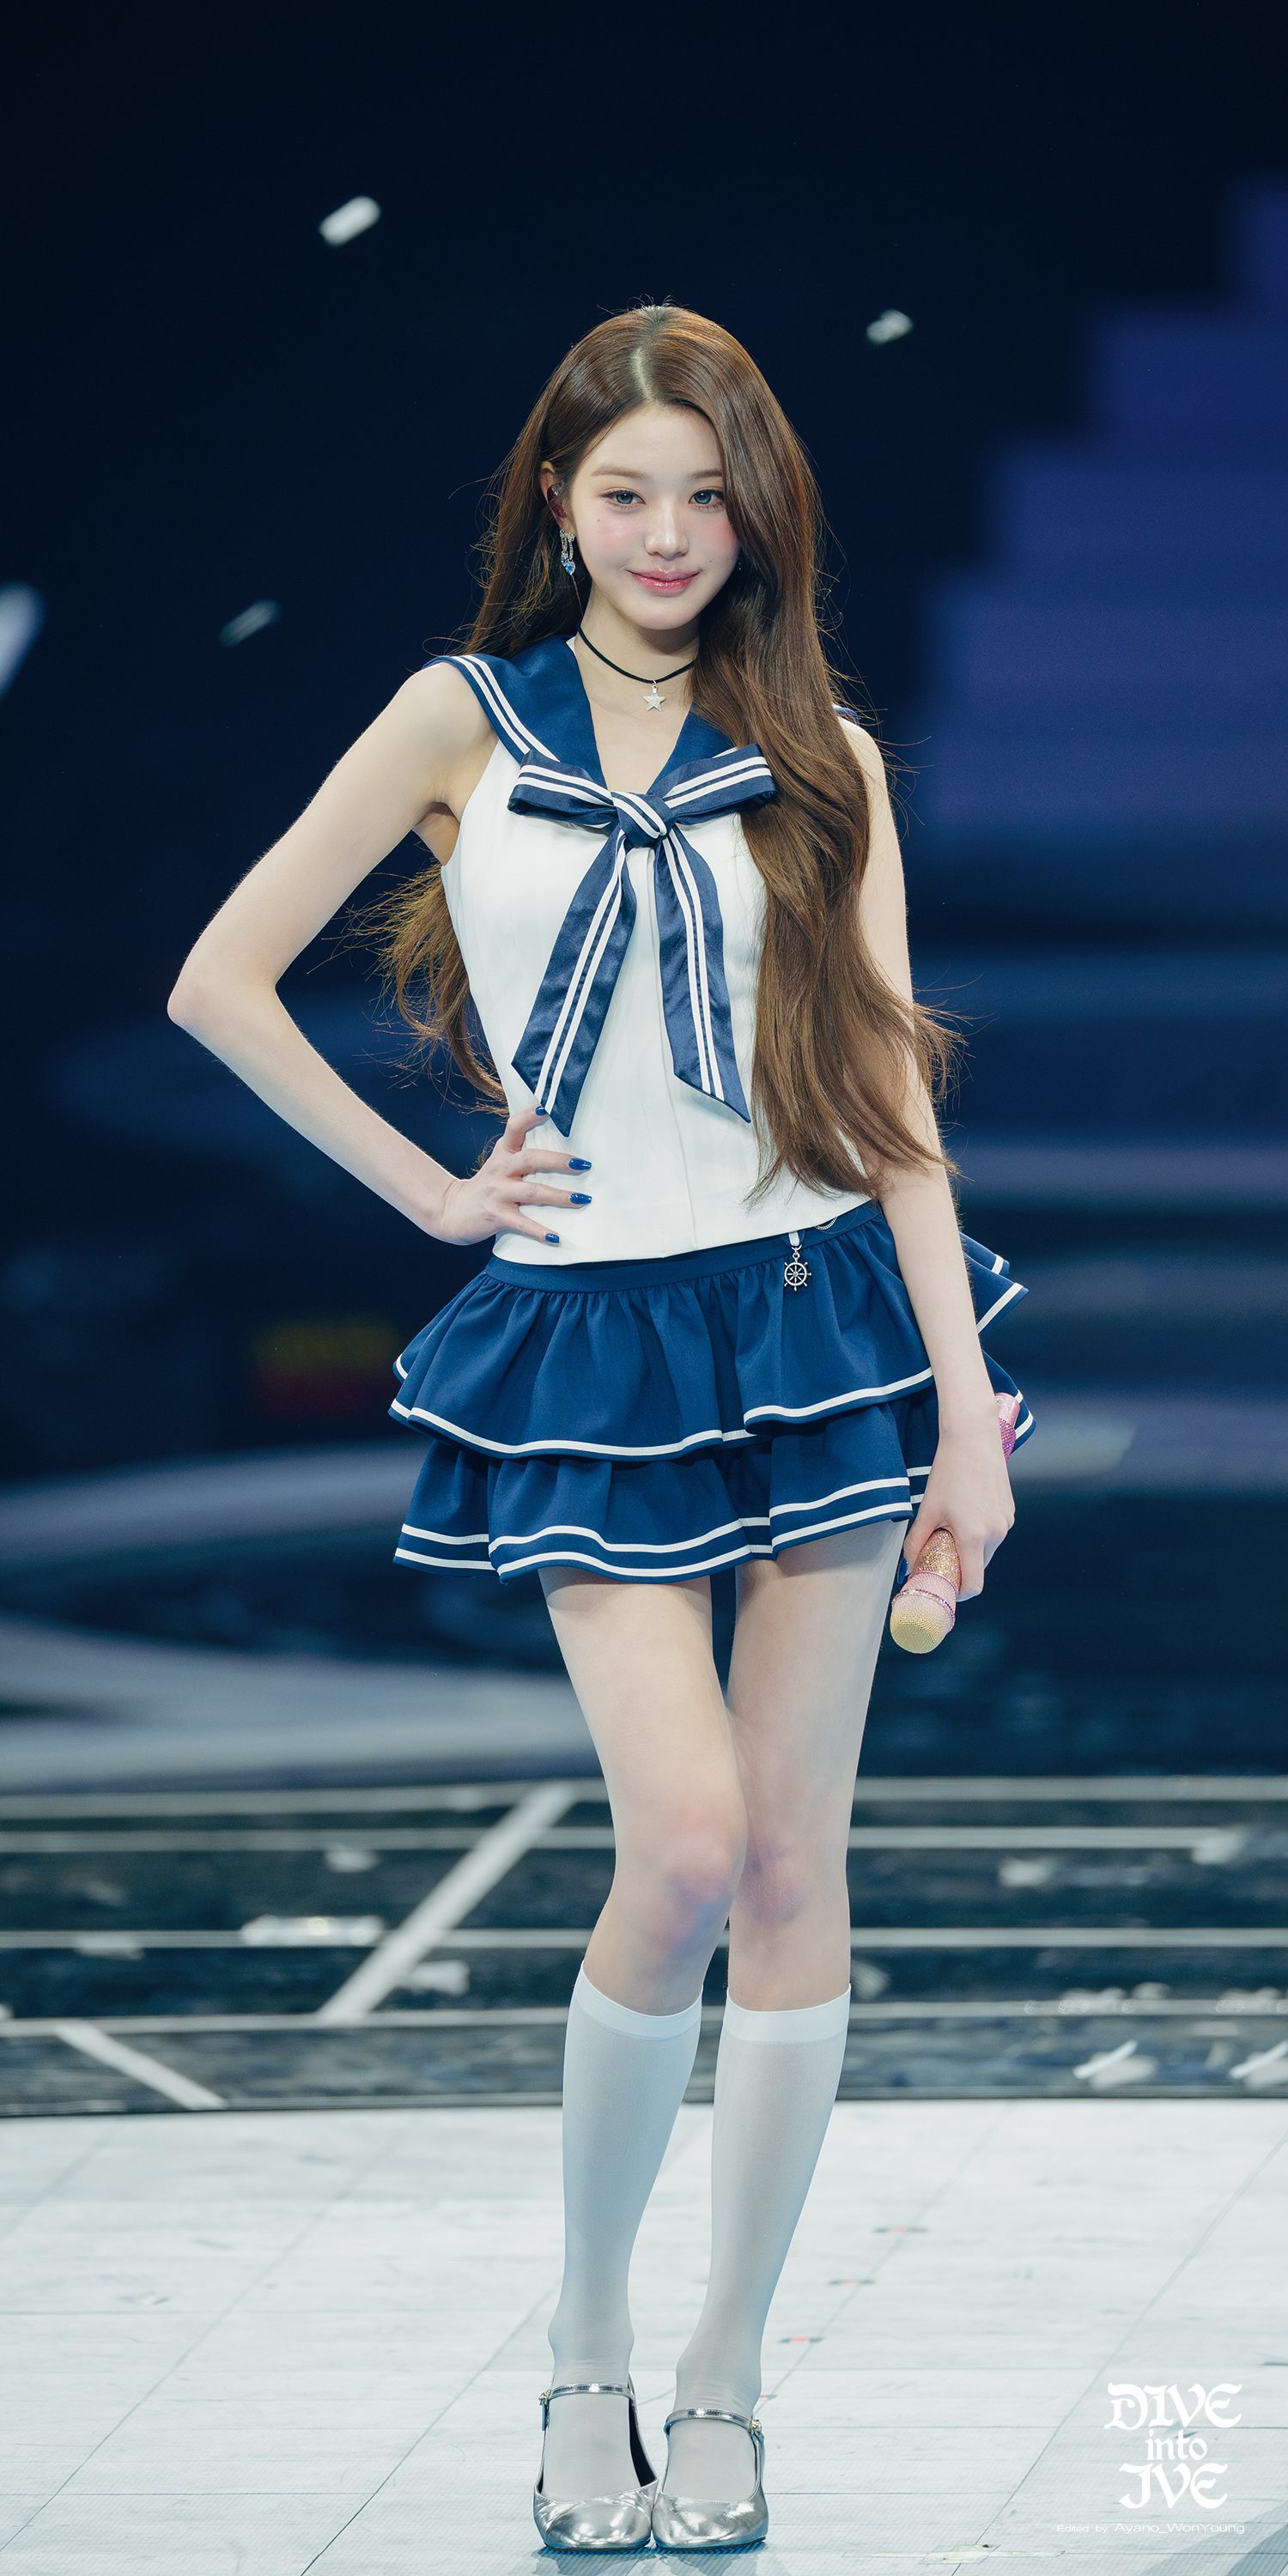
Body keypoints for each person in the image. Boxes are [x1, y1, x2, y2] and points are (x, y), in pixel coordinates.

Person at [169, 303, 1033, 2554]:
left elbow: (887, 1101)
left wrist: (966, 1420)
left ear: (757, 516)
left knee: (791, 1867)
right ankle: (585, 2343)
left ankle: (726, 2376)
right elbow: (220, 978)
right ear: (557, 502)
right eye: (625, 490)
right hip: (590, 1342)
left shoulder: (820, 753)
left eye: (705, 495)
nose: (666, 533)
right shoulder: (457, 717)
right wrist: (433, 1195)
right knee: (680, 1851)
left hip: (819, 1319)